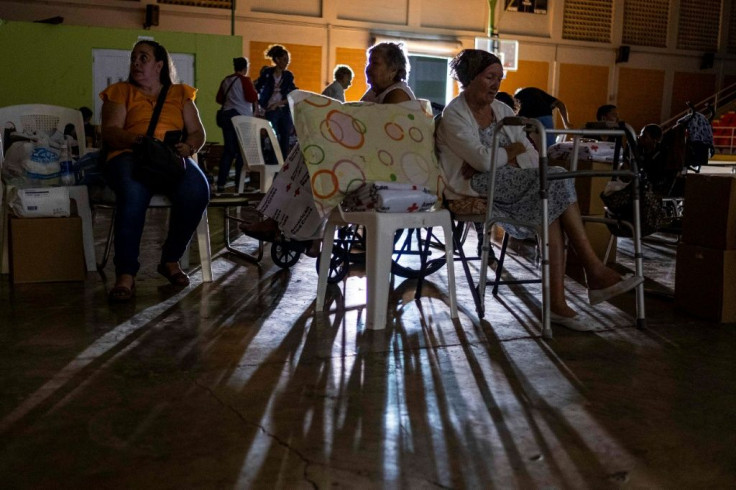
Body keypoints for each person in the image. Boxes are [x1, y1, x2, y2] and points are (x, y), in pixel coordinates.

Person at [436, 49, 642, 332]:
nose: (496, 84)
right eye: (489, 77)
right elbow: (483, 163)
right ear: (470, 78)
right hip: (476, 186)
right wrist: (510, 150)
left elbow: (528, 158)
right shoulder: (454, 115)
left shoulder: (503, 111)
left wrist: (502, 155)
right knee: (554, 177)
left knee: (551, 201)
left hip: (514, 180)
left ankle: (562, 300)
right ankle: (591, 272)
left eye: (500, 77)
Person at [240, 42, 414, 254]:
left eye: (375, 63)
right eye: (368, 63)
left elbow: (379, 139)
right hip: (369, 161)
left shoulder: (397, 96)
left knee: (316, 163)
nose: (368, 68)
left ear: (394, 70)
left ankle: (296, 230)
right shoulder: (375, 93)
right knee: (308, 153)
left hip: (387, 170)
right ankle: (287, 226)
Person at [99, 40, 210, 302]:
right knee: (134, 193)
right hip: (129, 155)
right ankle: (126, 274)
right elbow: (111, 132)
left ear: (159, 65)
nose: (136, 63)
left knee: (197, 191)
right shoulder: (120, 92)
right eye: (134, 58)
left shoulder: (180, 93)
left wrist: (189, 146)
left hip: (169, 157)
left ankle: (170, 260)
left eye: (143, 58)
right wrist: (137, 141)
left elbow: (198, 132)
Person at [215, 56, 258, 192]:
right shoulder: (244, 80)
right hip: (242, 119)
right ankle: (239, 185)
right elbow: (252, 97)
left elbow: (219, 99)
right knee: (241, 152)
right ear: (245, 68)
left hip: (227, 116)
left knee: (228, 151)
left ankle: (221, 183)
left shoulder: (226, 80)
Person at [255, 44, 297, 160]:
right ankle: (273, 161)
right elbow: (258, 88)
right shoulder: (267, 73)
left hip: (283, 109)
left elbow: (291, 93)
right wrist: (260, 107)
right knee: (274, 136)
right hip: (270, 110)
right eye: (284, 60)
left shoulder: (288, 76)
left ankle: (282, 163)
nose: (286, 63)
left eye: (287, 60)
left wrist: (278, 104)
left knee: (285, 136)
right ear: (277, 60)